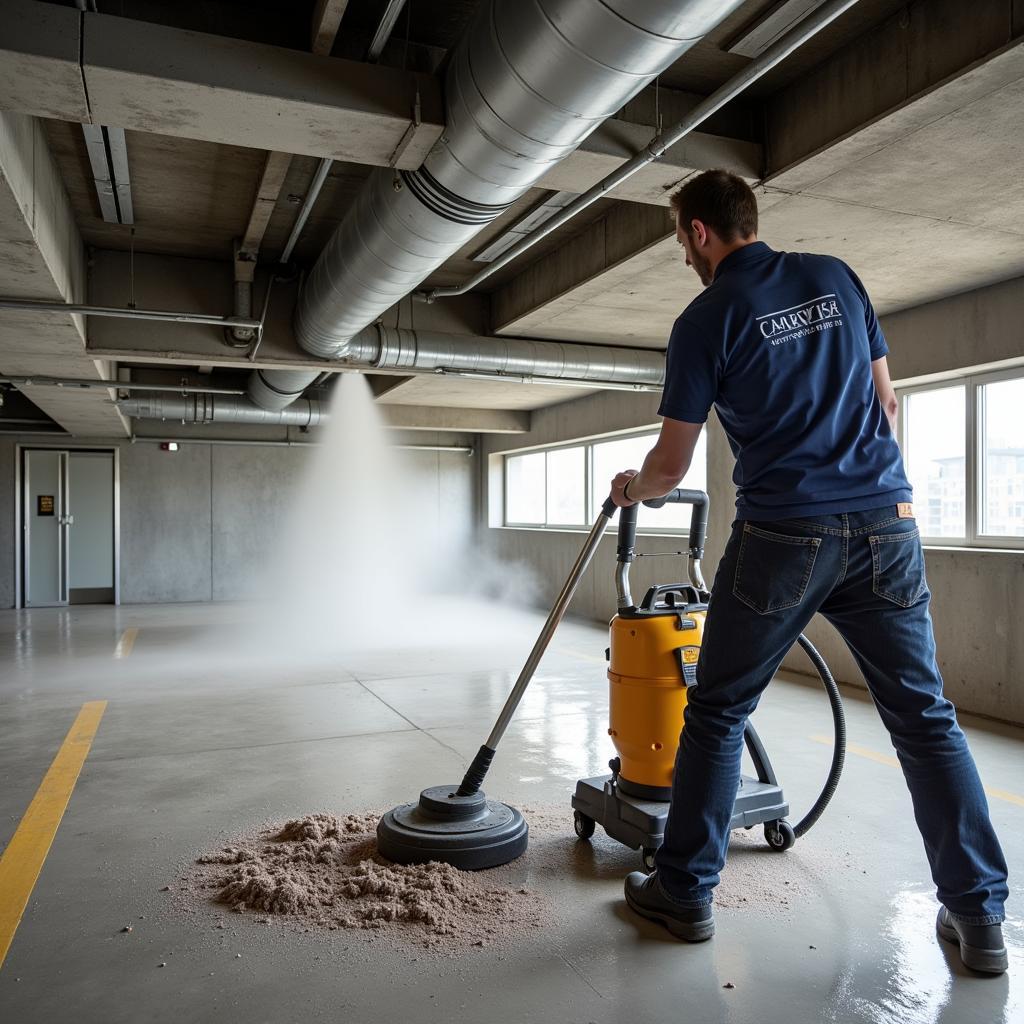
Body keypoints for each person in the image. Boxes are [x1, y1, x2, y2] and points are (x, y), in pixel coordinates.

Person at [611, 169, 1009, 975]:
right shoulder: (836, 276)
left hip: (783, 535)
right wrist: (863, 493)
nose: (684, 253)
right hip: (887, 523)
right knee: (926, 719)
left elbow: (671, 461)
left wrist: (634, 488)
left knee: (718, 712)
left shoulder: (705, 317)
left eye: (680, 240)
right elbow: (887, 407)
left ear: (698, 233)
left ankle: (684, 893)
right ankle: (980, 918)